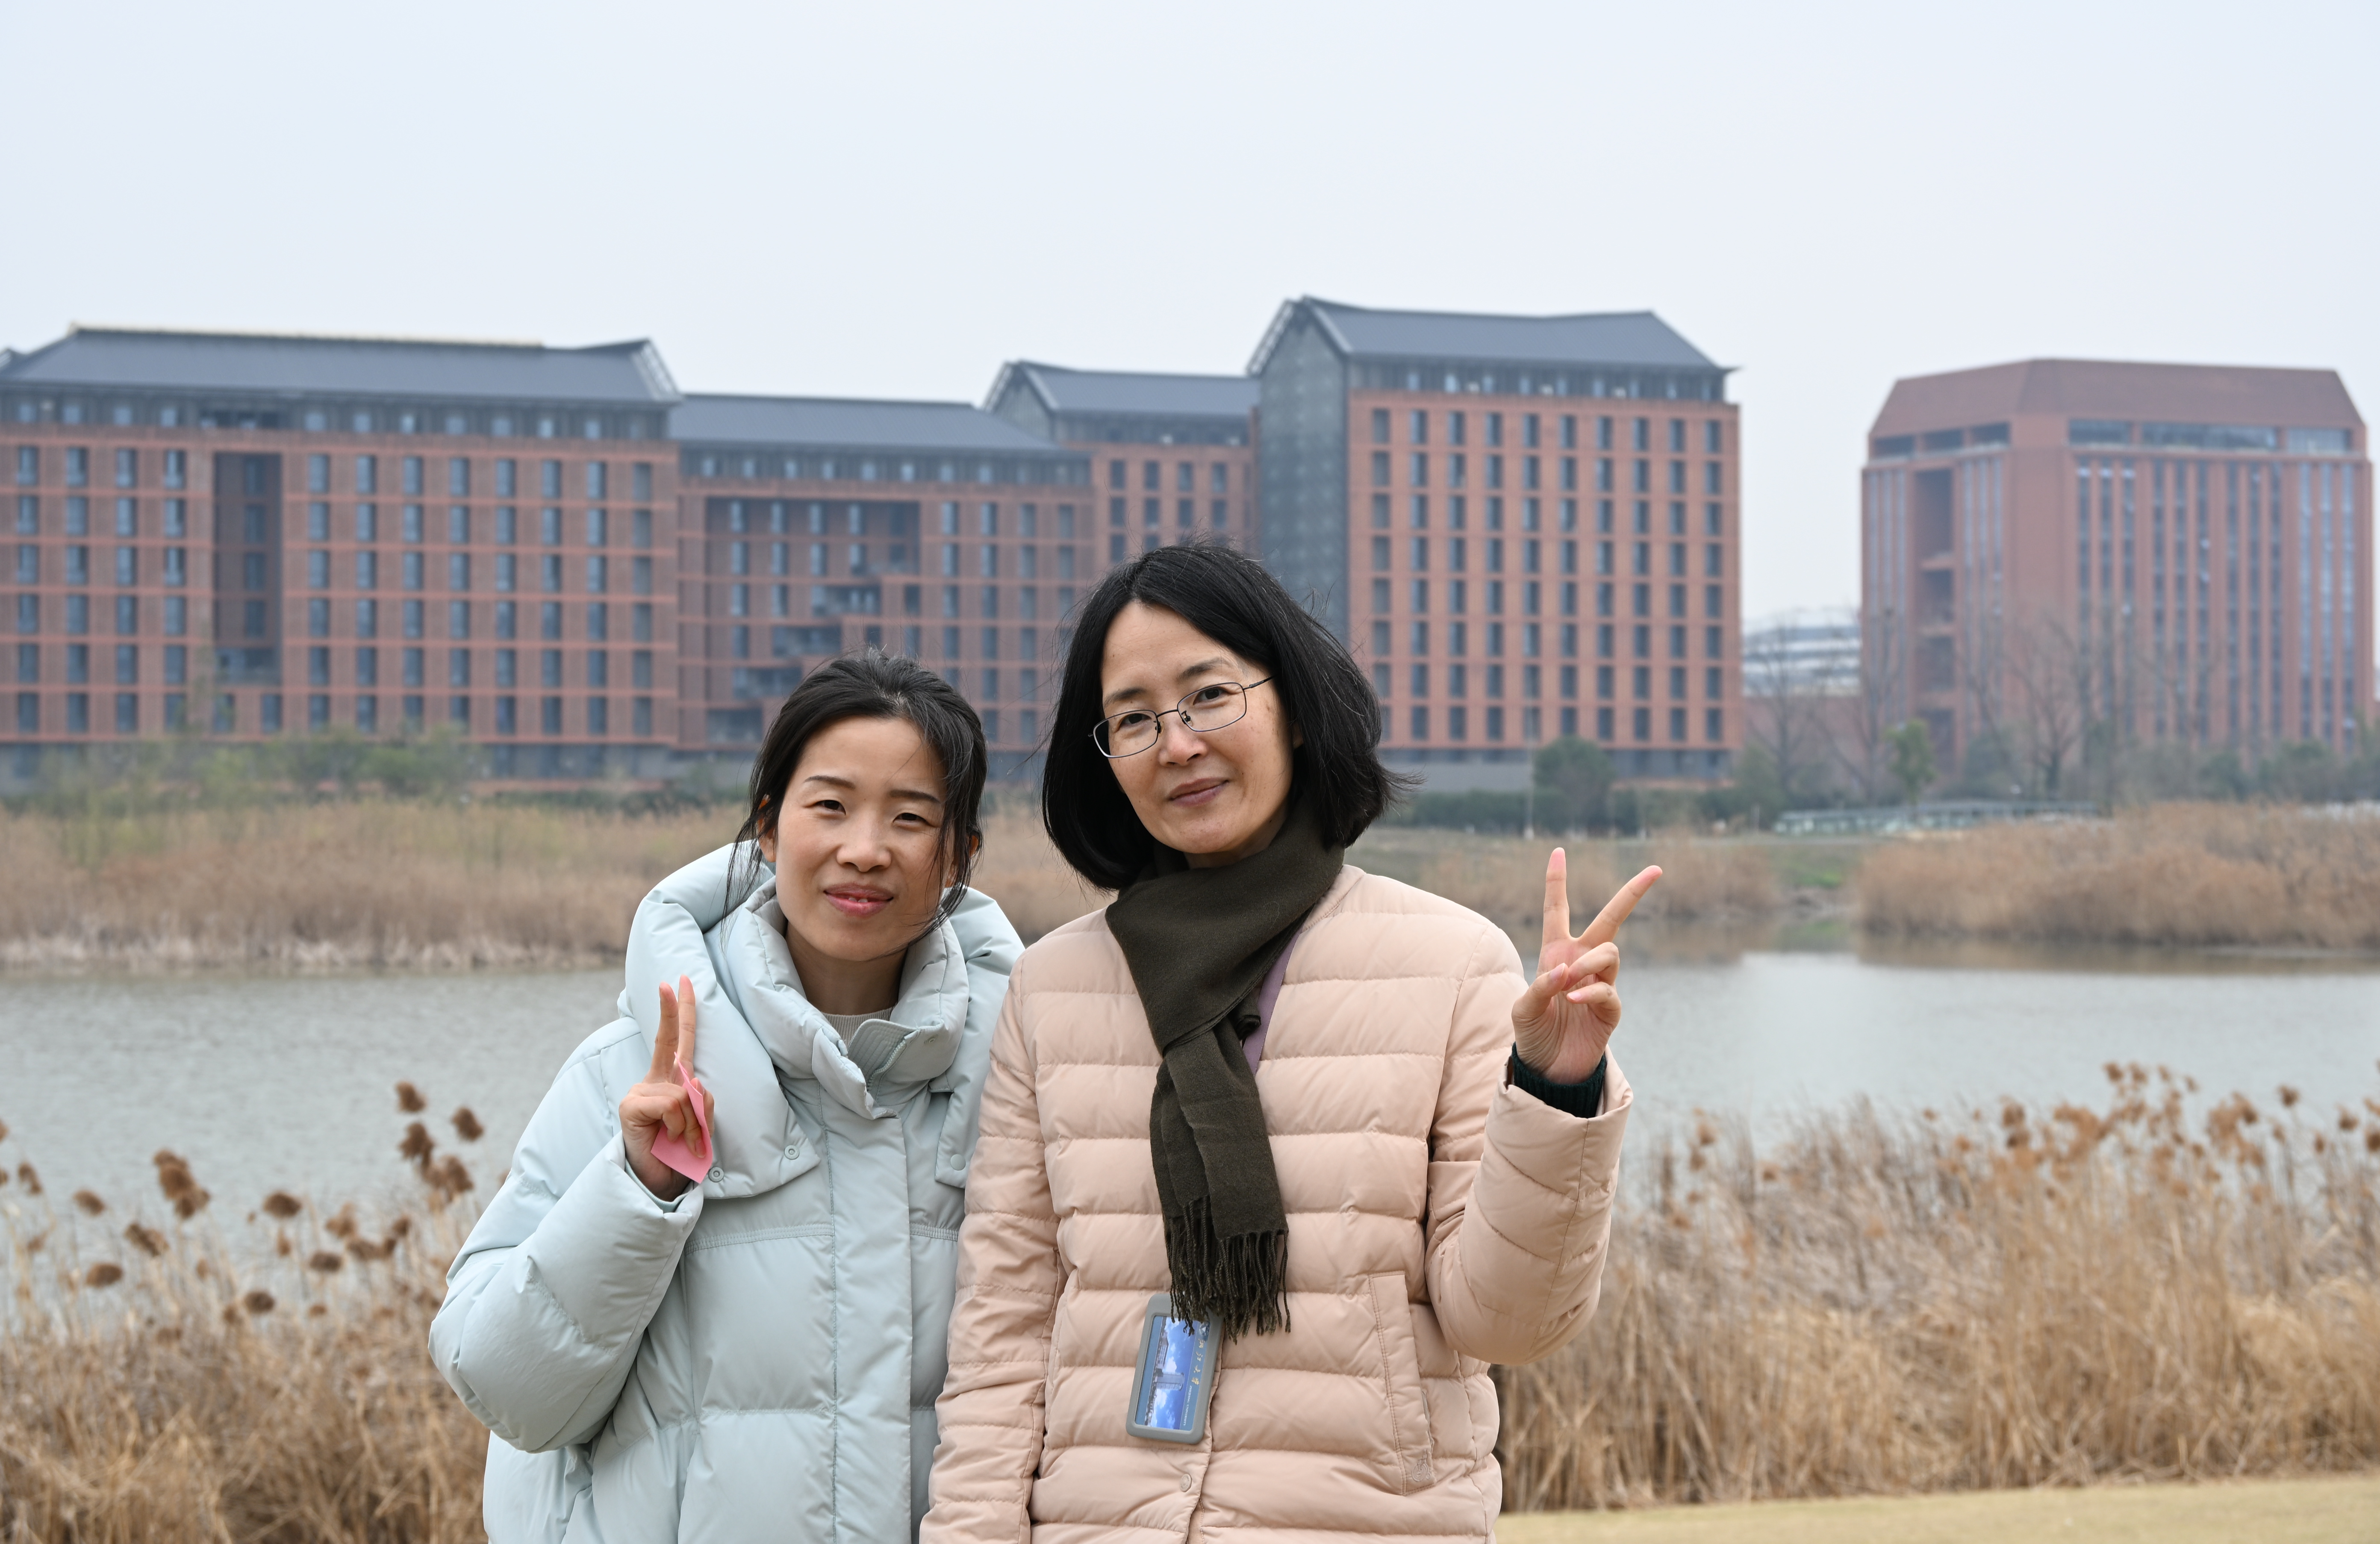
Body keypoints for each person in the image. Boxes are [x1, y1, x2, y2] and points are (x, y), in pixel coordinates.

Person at [922, 544, 1654, 1544]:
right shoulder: (1053, 988)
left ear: (1296, 710)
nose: (1177, 743)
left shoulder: (1449, 962)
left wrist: (1557, 1087)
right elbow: (1003, 1334)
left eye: (1209, 694)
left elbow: (1509, 1322)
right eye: (1133, 718)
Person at [430, 650, 1020, 1543]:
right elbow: (508, 1390)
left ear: (959, 857)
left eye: (910, 817)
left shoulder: (1016, 1080)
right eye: (830, 806)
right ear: (769, 827)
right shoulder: (628, 1072)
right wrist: (638, 1189)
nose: (864, 849)